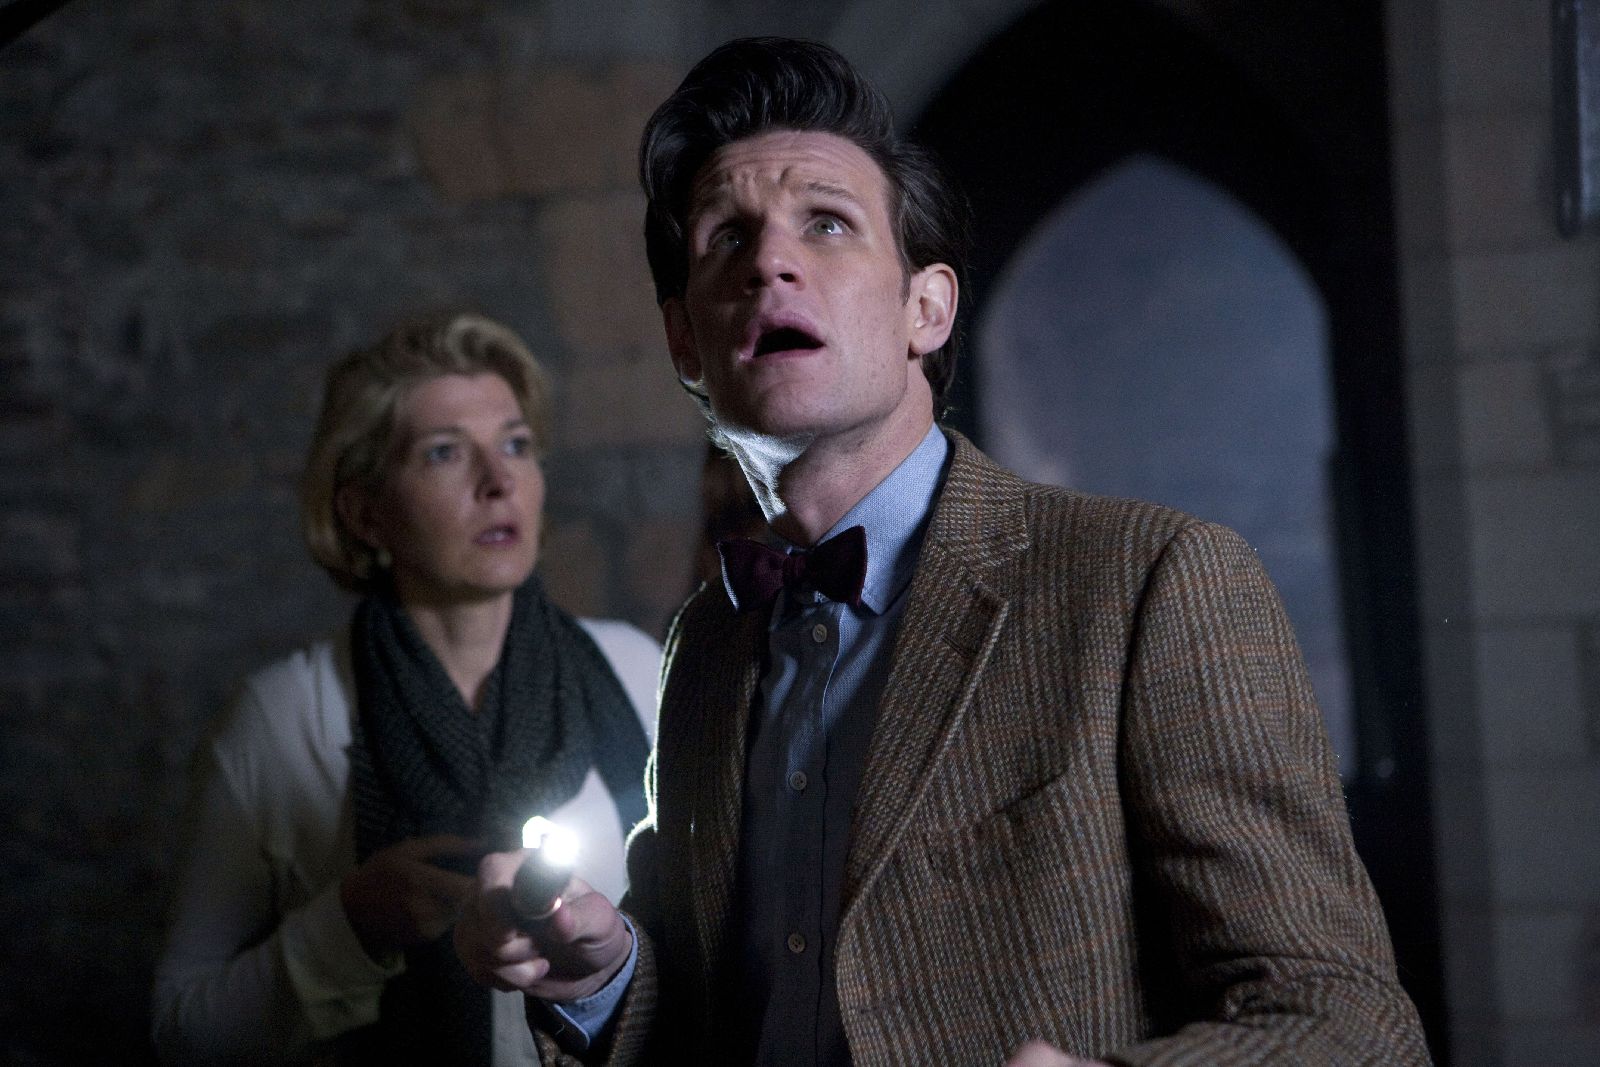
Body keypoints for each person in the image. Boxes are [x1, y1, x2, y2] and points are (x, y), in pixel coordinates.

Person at [454, 38, 1431, 1066]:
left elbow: (1352, 1025)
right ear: (685, 342)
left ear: (926, 307)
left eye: (826, 223)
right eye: (726, 237)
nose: (768, 261)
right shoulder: (707, 641)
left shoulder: (1151, 581)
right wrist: (600, 974)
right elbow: (707, 1012)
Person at [151, 313, 659, 1066]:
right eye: (445, 452)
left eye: (516, 444)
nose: (499, 481)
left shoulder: (638, 672)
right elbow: (182, 1032)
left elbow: (709, 958)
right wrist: (351, 927)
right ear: (365, 512)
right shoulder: (282, 720)